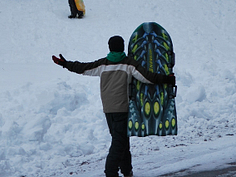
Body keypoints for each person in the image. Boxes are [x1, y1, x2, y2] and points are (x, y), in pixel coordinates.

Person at [52, 35, 175, 177]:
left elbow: (82, 68)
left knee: (122, 140)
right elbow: (148, 78)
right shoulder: (129, 64)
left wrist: (65, 64)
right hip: (122, 109)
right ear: (123, 47)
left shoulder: (103, 64)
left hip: (108, 109)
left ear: (109, 47)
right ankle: (110, 172)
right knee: (119, 142)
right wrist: (167, 79)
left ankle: (127, 171)